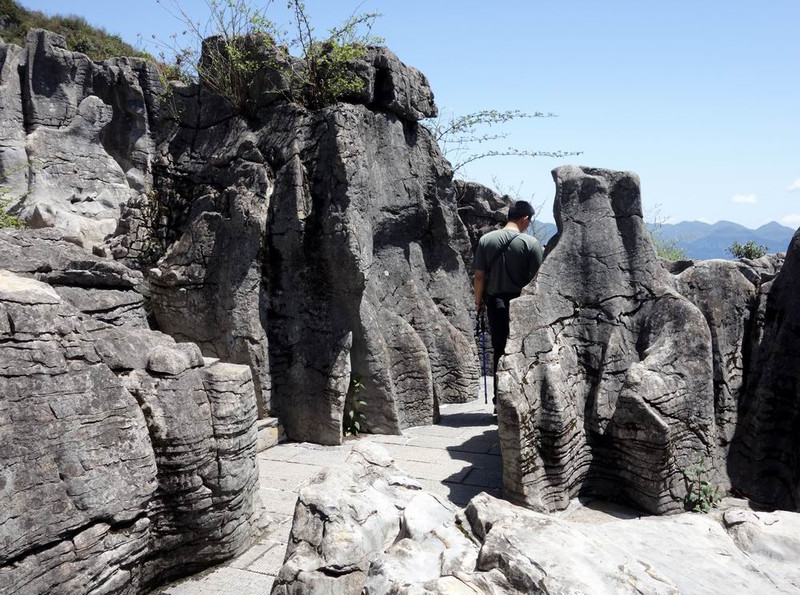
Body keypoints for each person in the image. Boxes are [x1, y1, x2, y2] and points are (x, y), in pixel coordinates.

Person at [473, 199, 544, 404]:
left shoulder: (487, 240)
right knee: (522, 350)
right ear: (525, 218)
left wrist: (479, 303)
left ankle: (500, 400)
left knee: (500, 349)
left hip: (495, 303)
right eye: (529, 222)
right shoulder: (531, 243)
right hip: (522, 305)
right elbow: (538, 279)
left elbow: (479, 276)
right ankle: (520, 398)